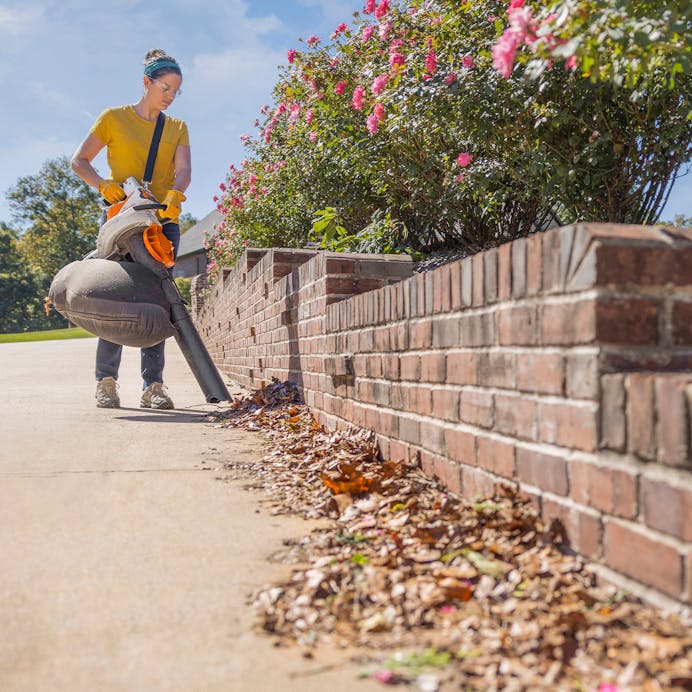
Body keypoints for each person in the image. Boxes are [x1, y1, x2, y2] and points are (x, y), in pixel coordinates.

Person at [71, 49, 191, 410]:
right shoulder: (113, 118)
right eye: (165, 88)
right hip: (121, 221)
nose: (170, 96)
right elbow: (79, 161)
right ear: (146, 83)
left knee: (156, 302)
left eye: (176, 91)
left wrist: (176, 193)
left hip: (161, 223)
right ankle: (106, 382)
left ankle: (153, 386)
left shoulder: (176, 127)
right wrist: (101, 185)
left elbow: (183, 168)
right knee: (115, 298)